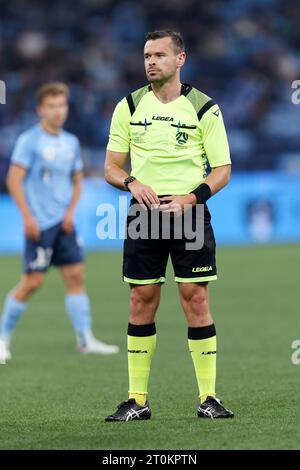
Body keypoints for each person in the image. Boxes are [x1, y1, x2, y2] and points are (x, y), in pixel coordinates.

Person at [104, 30, 234, 421]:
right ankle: (137, 400)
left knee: (195, 299)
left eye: (159, 54)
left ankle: (208, 398)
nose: (150, 62)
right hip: (144, 215)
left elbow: (223, 170)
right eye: (146, 55)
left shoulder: (203, 108)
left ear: (181, 59)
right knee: (141, 301)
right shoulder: (128, 106)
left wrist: (191, 198)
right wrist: (132, 182)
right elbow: (111, 166)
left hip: (189, 214)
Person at [0, 82, 119, 363]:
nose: (58, 111)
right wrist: (27, 217)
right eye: (52, 106)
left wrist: (70, 213)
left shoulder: (70, 142)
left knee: (76, 276)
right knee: (32, 281)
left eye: (62, 105)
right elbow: (14, 180)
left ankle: (85, 339)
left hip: (64, 224)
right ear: (41, 110)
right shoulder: (30, 140)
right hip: (39, 224)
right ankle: (2, 338)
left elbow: (77, 182)